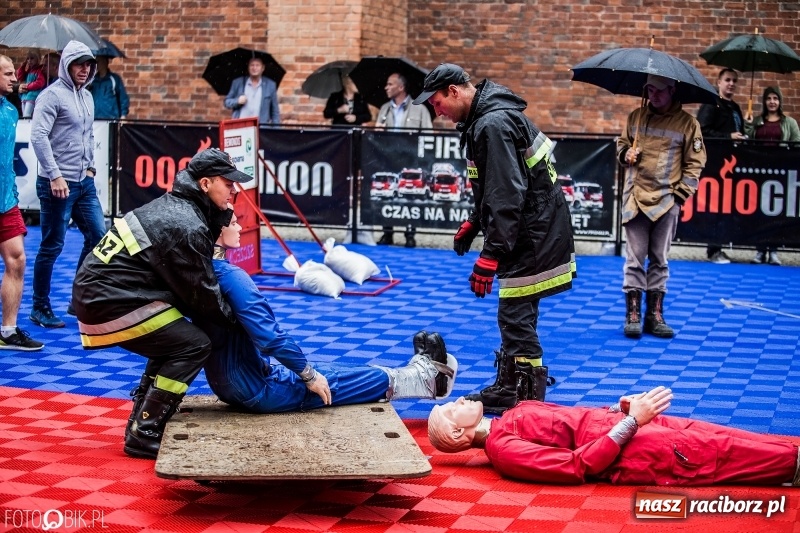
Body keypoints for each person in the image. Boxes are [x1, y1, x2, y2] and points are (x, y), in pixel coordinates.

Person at [414, 63, 575, 414]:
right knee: (518, 312)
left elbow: (507, 194)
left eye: (437, 102)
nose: (436, 111)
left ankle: (525, 398)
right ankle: (513, 387)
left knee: (515, 313)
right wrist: (475, 221)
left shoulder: (492, 123)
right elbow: (495, 186)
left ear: (454, 91)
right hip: (535, 229)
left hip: (530, 235)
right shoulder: (488, 119)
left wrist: (491, 255)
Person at [71, 148, 251, 459]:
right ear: (205, 184)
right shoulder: (185, 223)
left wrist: (219, 215)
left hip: (105, 293)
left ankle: (142, 419)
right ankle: (146, 430)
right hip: (109, 300)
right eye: (229, 182)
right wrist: (241, 324)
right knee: (193, 345)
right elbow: (201, 295)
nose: (235, 189)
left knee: (174, 339)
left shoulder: (182, 208)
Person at [200, 208, 458, 412]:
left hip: (234, 381)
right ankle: (424, 379)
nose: (241, 227)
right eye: (234, 222)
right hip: (257, 388)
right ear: (220, 230)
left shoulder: (200, 273)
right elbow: (270, 337)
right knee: (333, 381)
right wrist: (309, 375)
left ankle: (416, 377)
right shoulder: (231, 276)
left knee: (332, 371)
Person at [427, 387, 800, 487]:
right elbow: (578, 465)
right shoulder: (504, 450)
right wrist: (631, 422)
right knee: (730, 454)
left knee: (732, 438)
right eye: (450, 409)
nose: (458, 400)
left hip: (636, 429)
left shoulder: (511, 416)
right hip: (636, 450)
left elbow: (577, 421)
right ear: (458, 431)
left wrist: (622, 409)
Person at [617, 74, 706, 339]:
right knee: (634, 260)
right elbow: (621, 146)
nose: (653, 95)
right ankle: (632, 314)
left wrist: (680, 196)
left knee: (659, 259)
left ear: (672, 90)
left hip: (668, 201)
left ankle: (654, 315)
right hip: (635, 198)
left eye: (659, 91)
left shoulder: (689, 124)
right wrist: (626, 154)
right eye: (649, 90)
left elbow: (695, 164)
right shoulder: (636, 117)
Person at [29, 41, 106, 328]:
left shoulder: (87, 96)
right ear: (66, 65)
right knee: (52, 245)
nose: (84, 69)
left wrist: (91, 167)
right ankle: (39, 307)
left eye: (88, 64)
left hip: (83, 183)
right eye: (79, 63)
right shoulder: (50, 96)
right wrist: (55, 175)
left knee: (99, 236)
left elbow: (88, 135)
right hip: (56, 184)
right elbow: (38, 137)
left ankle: (78, 300)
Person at [0, 55, 43, 351]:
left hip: (5, 200)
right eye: (7, 74)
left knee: (17, 259)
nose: (15, 78)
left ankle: (8, 331)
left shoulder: (10, 109)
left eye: (14, 73)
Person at [375, 72, 433, 248]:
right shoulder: (384, 109)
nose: (386, 87)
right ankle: (387, 233)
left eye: (390, 84)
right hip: (388, 159)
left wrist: (422, 160)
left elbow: (428, 135)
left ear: (401, 87)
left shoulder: (420, 109)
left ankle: (410, 234)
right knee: (387, 194)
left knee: (410, 195)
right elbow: (376, 137)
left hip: (411, 160)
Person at [744, 86, 800, 266]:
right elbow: (749, 140)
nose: (772, 102)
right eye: (769, 98)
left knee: (776, 214)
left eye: (775, 98)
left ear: (780, 101)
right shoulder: (758, 120)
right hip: (760, 174)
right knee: (759, 213)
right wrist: (748, 124)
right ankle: (760, 251)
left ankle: (773, 251)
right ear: (765, 101)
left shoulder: (789, 122)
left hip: (780, 177)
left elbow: (797, 144)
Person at [697, 68, 746, 265]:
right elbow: (702, 131)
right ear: (719, 82)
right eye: (727, 80)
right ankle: (713, 250)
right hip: (715, 166)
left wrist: (743, 130)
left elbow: (738, 131)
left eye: (734, 80)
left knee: (725, 209)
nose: (731, 84)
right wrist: (728, 137)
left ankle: (719, 247)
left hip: (730, 165)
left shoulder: (735, 108)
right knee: (715, 208)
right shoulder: (712, 104)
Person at [224, 56, 280, 125]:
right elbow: (227, 102)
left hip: (260, 128)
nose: (254, 68)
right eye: (252, 65)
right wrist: (237, 101)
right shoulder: (238, 82)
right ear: (248, 67)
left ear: (263, 68)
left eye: (257, 65)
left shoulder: (270, 85)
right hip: (240, 126)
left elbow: (275, 112)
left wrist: (276, 132)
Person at [88, 55, 130, 120]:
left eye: (98, 62)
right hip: (95, 118)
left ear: (105, 62)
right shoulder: (92, 80)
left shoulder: (114, 79)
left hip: (111, 118)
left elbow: (123, 98)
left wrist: (123, 115)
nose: (96, 64)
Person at [15, 50, 46, 118]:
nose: (29, 60)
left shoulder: (39, 70)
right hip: (25, 96)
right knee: (24, 115)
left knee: (27, 115)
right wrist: (23, 65)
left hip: (33, 96)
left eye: (32, 58)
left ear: (37, 59)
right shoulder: (29, 71)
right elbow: (20, 76)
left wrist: (28, 86)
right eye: (28, 59)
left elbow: (40, 82)